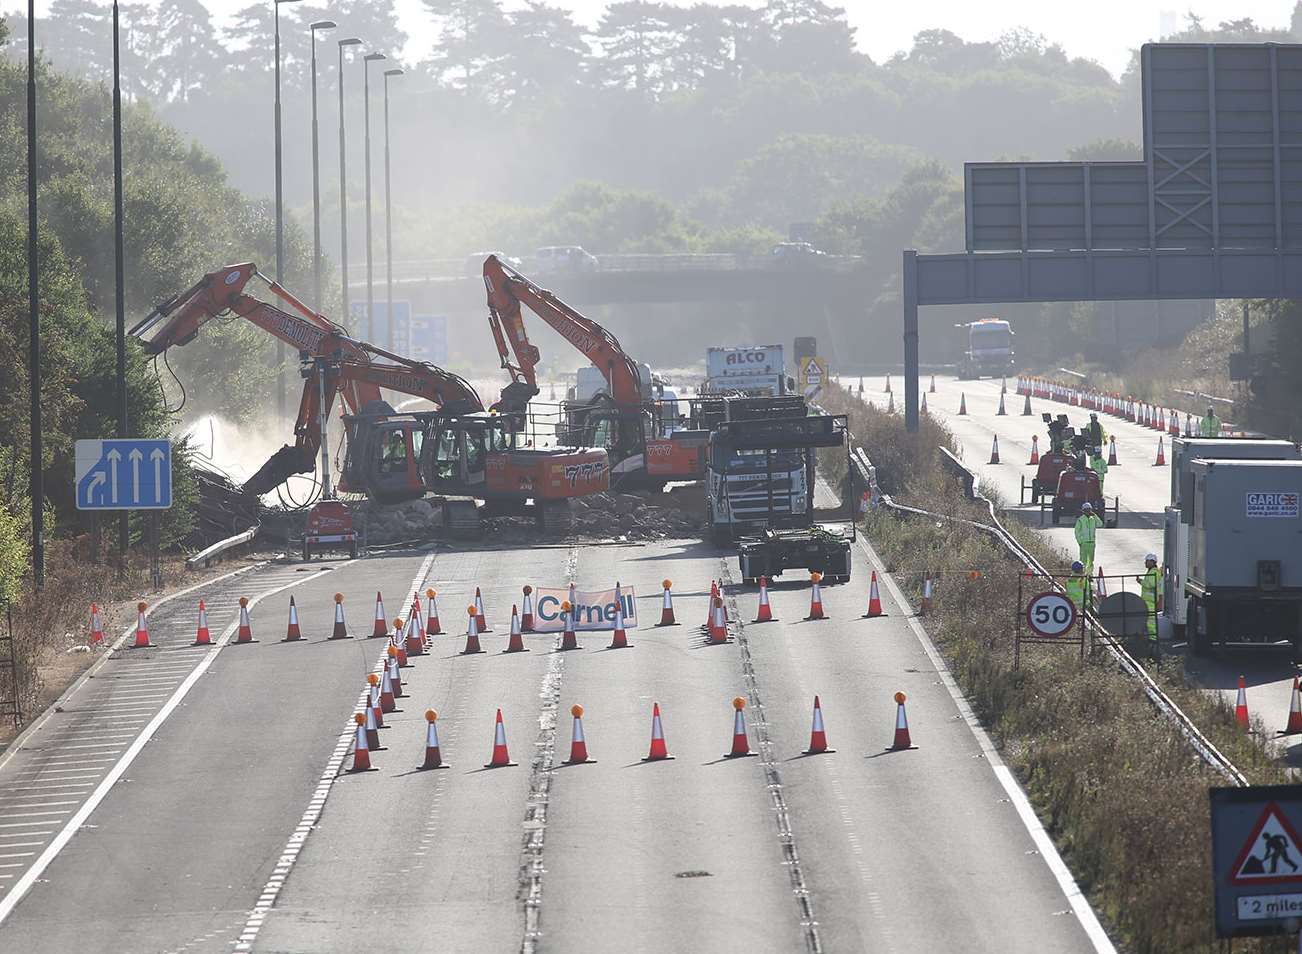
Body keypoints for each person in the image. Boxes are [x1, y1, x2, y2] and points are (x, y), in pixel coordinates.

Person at [1135, 553, 1162, 660]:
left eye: (1147, 561)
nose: (1145, 563)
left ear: (1152, 562)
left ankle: (1153, 639)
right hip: (1148, 601)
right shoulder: (1152, 572)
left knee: (1151, 621)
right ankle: (1150, 638)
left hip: (1150, 601)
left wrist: (1141, 581)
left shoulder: (1154, 572)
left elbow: (1150, 584)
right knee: (1148, 621)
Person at [1074, 501, 1103, 572]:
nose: (1088, 511)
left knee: (1091, 561)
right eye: (1086, 510)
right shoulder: (1080, 520)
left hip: (1092, 543)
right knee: (1083, 561)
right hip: (1084, 543)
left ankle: (1090, 575)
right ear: (1083, 511)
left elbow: (1100, 524)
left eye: (1089, 510)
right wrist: (1080, 542)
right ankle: (1083, 575)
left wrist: (1095, 516)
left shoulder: (1093, 519)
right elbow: (1076, 532)